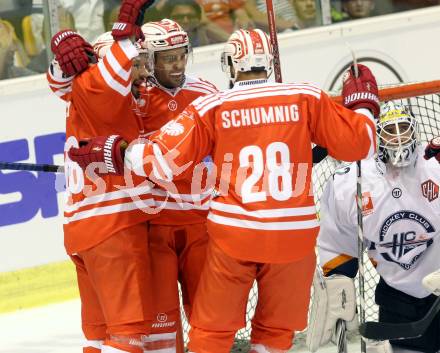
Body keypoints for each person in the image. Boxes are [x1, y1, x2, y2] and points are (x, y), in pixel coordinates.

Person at [67, 27, 380, 352]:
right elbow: (362, 144)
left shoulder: (214, 105)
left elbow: (160, 161)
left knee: (211, 333)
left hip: (237, 237)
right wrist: (363, 108)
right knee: (276, 332)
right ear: (269, 61)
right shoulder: (306, 96)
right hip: (294, 239)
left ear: (231, 63)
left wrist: (119, 151)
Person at [46, 1, 158, 352]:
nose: (139, 71)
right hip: (113, 229)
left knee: (99, 334)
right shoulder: (100, 88)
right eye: (134, 64)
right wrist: (127, 25)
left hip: (82, 231)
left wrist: (60, 50)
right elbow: (113, 66)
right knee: (127, 337)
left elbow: (58, 80)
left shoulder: (78, 89)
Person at [309, 102, 440, 353]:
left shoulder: (435, 164)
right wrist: (339, 292)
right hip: (398, 298)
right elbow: (337, 240)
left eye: (404, 127)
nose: (399, 137)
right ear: (379, 136)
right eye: (391, 130)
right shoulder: (353, 180)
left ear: (416, 130)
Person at [135, 18, 217, 352]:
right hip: (154, 224)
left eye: (182, 55)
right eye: (168, 57)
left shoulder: (206, 94)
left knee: (208, 318)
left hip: (200, 222)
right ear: (149, 60)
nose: (178, 63)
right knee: (161, 326)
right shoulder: (135, 100)